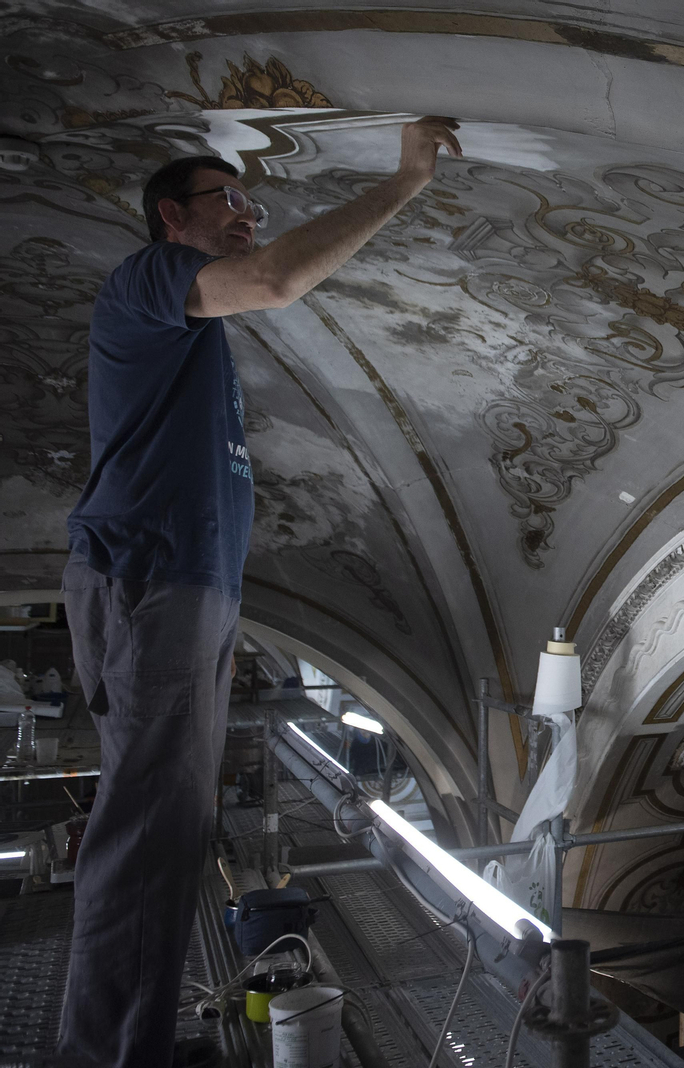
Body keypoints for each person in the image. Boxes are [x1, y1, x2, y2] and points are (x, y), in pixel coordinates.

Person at [59, 117, 463, 1068]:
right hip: (152, 578)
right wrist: (406, 179)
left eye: (252, 202)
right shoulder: (147, 277)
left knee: (169, 834)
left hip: (184, 586)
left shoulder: (193, 335)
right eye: (229, 199)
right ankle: (106, 1055)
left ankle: (132, 1043)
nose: (248, 214)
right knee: (148, 833)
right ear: (172, 216)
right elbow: (277, 280)